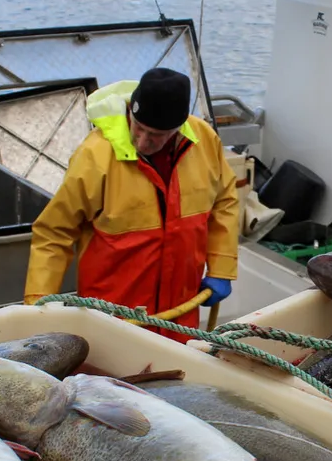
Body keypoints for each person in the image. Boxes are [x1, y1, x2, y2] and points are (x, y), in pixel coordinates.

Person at [23, 68, 240, 344]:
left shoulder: (205, 140)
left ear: (178, 129)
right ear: (130, 111)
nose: (143, 141)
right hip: (112, 319)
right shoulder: (95, 155)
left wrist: (222, 267)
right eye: (139, 128)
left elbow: (225, 200)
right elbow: (54, 233)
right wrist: (39, 306)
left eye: (156, 135)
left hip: (181, 316)